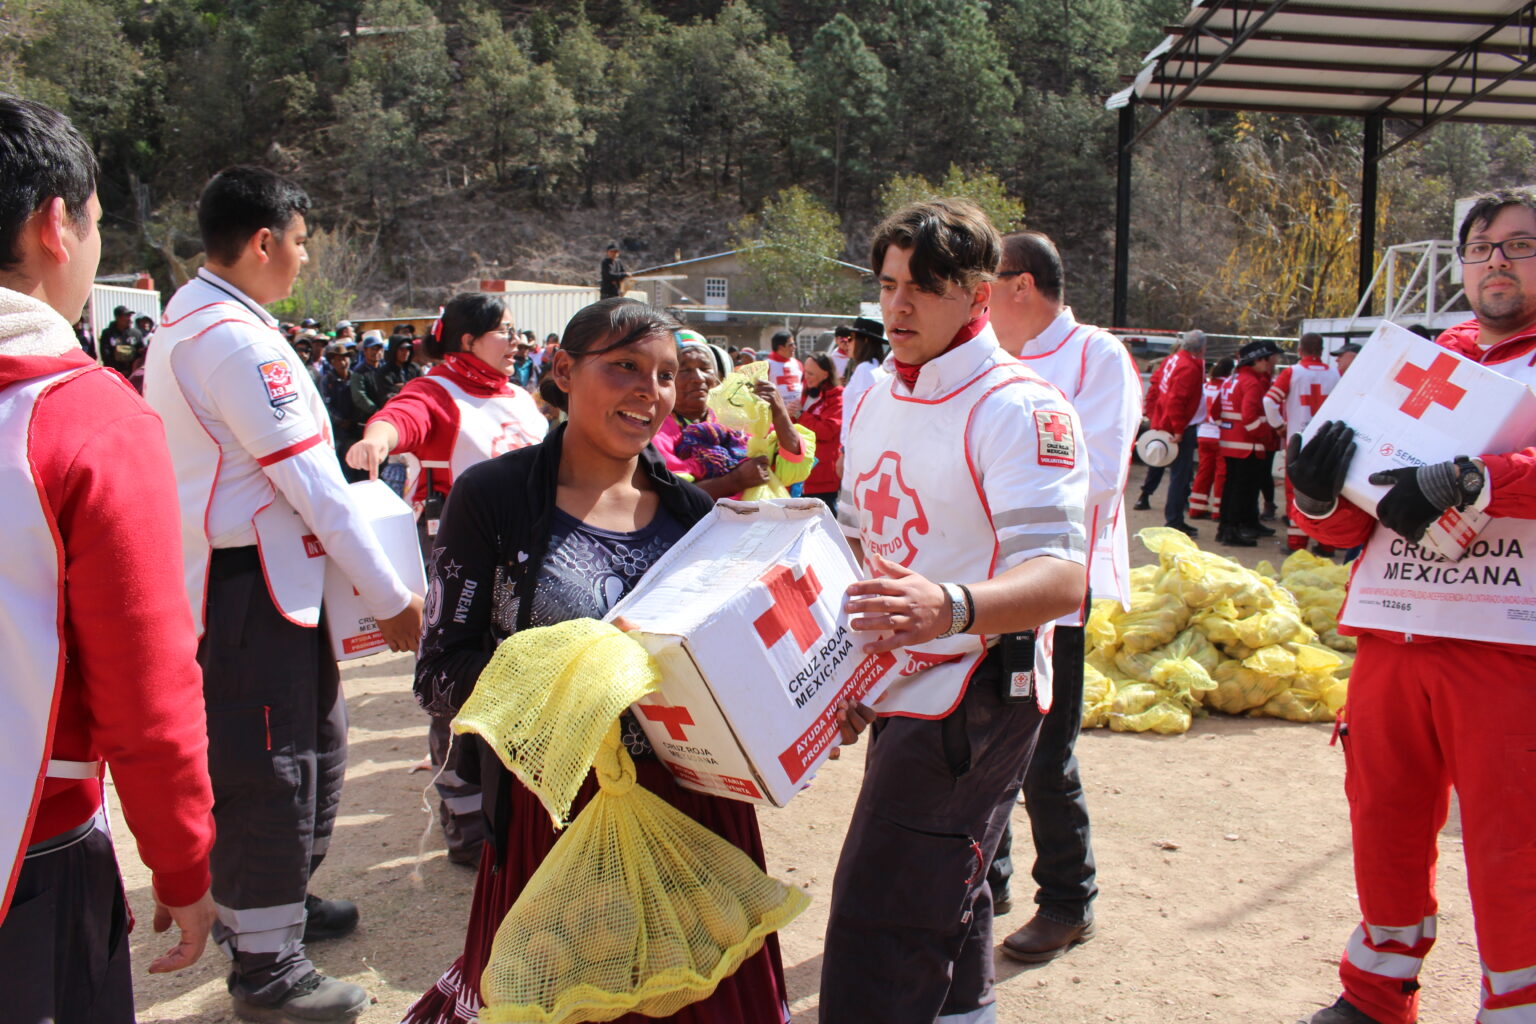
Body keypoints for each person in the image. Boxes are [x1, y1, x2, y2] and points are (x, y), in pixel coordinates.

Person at [399, 298, 860, 1024]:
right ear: (562, 371)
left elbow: (742, 670)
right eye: (624, 366)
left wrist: (817, 706)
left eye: (666, 375)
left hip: (700, 817)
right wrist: (571, 674)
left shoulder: (695, 518)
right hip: (558, 824)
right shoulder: (494, 500)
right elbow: (438, 673)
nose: (651, 390)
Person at [143, 165, 424, 1023]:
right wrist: (391, 595)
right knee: (274, 766)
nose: (304, 258)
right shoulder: (235, 340)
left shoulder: (200, 319)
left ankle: (271, 909)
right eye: (300, 242)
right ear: (264, 241)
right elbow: (314, 485)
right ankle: (267, 966)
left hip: (257, 582)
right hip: (251, 590)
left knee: (306, 748)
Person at [823, 200, 1089, 1024]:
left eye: (925, 287)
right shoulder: (871, 393)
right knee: (947, 890)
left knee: (882, 914)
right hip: (898, 680)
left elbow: (1062, 578)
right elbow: (858, 539)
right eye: (888, 285)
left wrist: (950, 606)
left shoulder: (1020, 407)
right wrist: (840, 673)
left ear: (978, 295)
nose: (898, 307)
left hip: (977, 688)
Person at [1289, 187, 1536, 1024]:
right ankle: (1374, 994)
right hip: (1394, 632)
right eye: (1481, 247)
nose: (1496, 260)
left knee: (1514, 844)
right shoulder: (1411, 362)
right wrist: (1316, 494)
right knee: (1383, 821)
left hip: (1509, 644)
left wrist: (1477, 478)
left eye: (1520, 244)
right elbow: (1346, 520)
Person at [0, 92, 217, 1024]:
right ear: (57, 225)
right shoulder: (84, 418)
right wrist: (182, 860)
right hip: (33, 850)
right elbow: (147, 689)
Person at [346, 293, 547, 865]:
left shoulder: (517, 395)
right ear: (468, 340)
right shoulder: (437, 391)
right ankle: (467, 824)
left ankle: (520, 815)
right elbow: (401, 419)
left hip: (528, 557)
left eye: (516, 331)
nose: (517, 342)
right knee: (461, 682)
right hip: (462, 558)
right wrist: (377, 440)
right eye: (505, 331)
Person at [988, 229, 1142, 962]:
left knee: (1046, 751)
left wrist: (1003, 482)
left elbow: (1102, 471)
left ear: (1021, 284)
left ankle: (1068, 901)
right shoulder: (986, 355)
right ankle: (988, 880)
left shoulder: (1095, 357)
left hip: (1053, 584)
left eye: (987, 282)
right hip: (982, 577)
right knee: (981, 737)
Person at [651, 331, 806, 500]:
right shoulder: (655, 431)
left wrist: (779, 412)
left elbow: (793, 461)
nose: (698, 378)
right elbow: (671, 496)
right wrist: (734, 481)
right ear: (665, 379)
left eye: (705, 368)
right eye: (684, 370)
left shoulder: (738, 414)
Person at [1264, 332, 1340, 551]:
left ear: (1300, 350)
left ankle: (1297, 543)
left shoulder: (1292, 372)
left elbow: (1269, 400)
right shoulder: (1335, 374)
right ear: (1322, 350)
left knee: (1295, 493)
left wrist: (1279, 426)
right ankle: (1326, 544)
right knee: (1327, 494)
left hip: (1299, 441)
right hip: (1327, 442)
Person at [1213, 339, 1282, 547]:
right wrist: (1266, 437)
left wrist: (1228, 429)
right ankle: (1231, 531)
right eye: (1268, 360)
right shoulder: (1251, 383)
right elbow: (1250, 417)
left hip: (1230, 443)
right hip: (1247, 445)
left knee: (1230, 487)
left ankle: (1225, 528)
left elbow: (1215, 411)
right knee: (1241, 490)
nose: (1270, 363)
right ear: (1257, 360)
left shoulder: (1231, 380)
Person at [1145, 329, 1207, 537]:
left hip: (1167, 422)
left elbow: (1159, 387)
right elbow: (1176, 400)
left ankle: (1174, 518)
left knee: (1177, 475)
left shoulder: (1174, 360)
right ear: (1201, 348)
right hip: (1178, 427)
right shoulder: (1188, 367)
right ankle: (1174, 520)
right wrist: (1179, 429)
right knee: (1180, 476)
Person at [1188, 357, 1234, 521]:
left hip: (1203, 433)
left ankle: (1196, 508)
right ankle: (1218, 510)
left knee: (1203, 472)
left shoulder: (1205, 386)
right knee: (1221, 474)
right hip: (1220, 435)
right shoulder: (1227, 386)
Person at [796, 351, 843, 510]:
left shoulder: (837, 398)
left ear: (825, 374)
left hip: (823, 475)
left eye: (811, 374)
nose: (806, 377)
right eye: (805, 372)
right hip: (802, 472)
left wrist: (800, 415)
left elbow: (827, 431)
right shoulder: (806, 392)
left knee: (825, 519)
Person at [838, 315, 887, 449]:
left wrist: (844, 451)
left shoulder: (865, 370)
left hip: (856, 447)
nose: (847, 343)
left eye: (851, 338)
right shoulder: (877, 368)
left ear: (864, 341)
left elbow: (862, 415)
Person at [350, 332, 388, 420]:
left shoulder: (385, 368)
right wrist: (375, 410)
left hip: (386, 413)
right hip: (367, 417)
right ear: (365, 351)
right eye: (372, 349)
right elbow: (359, 396)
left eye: (378, 349)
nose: (376, 352)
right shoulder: (359, 372)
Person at [99, 303, 144, 377]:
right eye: (126, 316)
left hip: (133, 374)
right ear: (118, 318)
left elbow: (141, 355)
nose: (129, 319)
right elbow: (105, 355)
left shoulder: (136, 334)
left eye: (130, 316)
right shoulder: (108, 334)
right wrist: (117, 372)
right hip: (114, 374)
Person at [765, 328, 803, 409]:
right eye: (791, 345)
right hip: (778, 413)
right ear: (780, 347)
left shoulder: (798, 363)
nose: (794, 347)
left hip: (799, 411)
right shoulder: (766, 365)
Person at [380, 329, 422, 398]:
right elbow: (387, 395)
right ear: (394, 350)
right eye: (402, 349)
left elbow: (422, 387)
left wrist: (405, 385)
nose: (406, 353)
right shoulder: (384, 372)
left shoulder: (415, 368)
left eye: (408, 349)